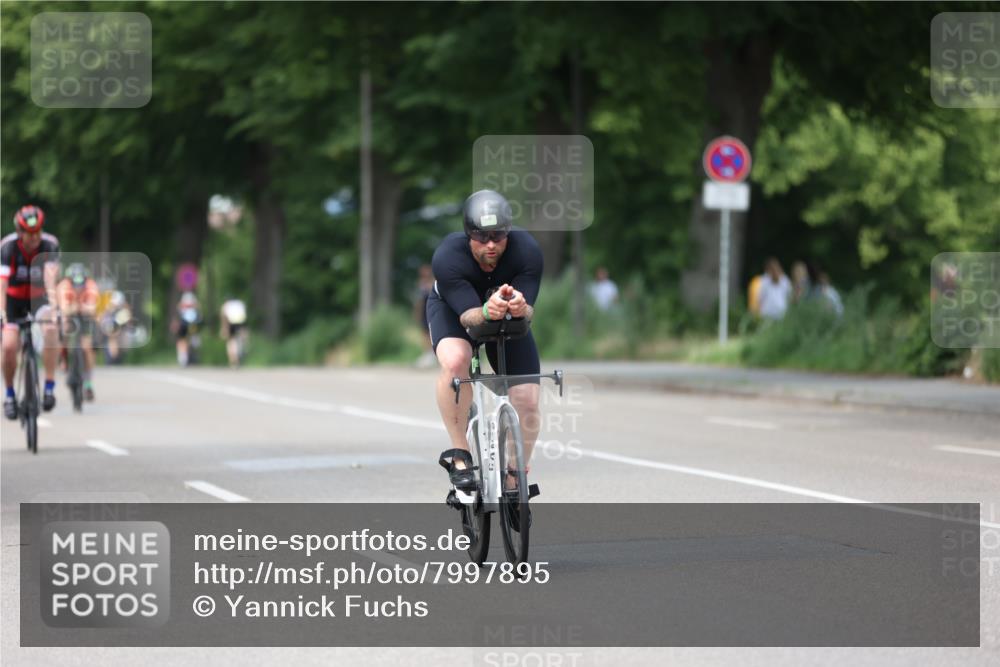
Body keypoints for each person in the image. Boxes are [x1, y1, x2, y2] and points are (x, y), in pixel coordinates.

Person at [427, 190, 543, 494]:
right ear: (468, 235)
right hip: (456, 312)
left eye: (498, 236)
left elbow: (528, 310)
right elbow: (469, 318)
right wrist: (487, 310)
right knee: (456, 361)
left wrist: (521, 307)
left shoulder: (527, 250)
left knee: (528, 401)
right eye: (482, 237)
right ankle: (460, 455)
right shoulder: (448, 257)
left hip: (505, 317)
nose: (491, 245)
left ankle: (515, 476)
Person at [1, 205, 61, 419]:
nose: (34, 237)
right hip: (13, 301)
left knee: (52, 328)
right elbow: (2, 284)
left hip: (39, 298)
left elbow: (50, 278)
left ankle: (49, 387)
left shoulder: (49, 244)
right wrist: (2, 313)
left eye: (38, 231)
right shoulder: (7, 247)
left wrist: (54, 308)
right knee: (8, 346)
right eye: (29, 232)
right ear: (20, 231)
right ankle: (9, 395)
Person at [56, 263, 100, 401]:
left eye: (81, 283)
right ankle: (63, 356)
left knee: (87, 347)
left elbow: (94, 308)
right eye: (75, 283)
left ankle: (88, 383)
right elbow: (64, 309)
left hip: (85, 316)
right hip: (69, 315)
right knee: (64, 327)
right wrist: (74, 308)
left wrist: (86, 308)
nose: (78, 287)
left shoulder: (91, 285)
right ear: (69, 280)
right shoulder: (63, 286)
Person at [412, 264, 436, 368]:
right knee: (424, 333)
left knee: (431, 333)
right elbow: (419, 301)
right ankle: (427, 354)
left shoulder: (433, 283)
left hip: (430, 311)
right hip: (423, 312)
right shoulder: (420, 284)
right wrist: (416, 313)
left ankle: (432, 355)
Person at [172, 291, 202, 367]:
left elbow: (178, 311)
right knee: (190, 339)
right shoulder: (194, 303)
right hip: (192, 325)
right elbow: (198, 310)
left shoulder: (182, 303)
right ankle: (188, 355)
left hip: (184, 323)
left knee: (182, 341)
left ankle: (183, 358)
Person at [219, 297, 248, 368]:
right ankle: (243, 348)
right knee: (242, 337)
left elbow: (223, 316)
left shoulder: (226, 305)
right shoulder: (240, 304)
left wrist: (224, 328)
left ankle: (233, 359)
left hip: (231, 323)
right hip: (241, 322)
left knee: (231, 341)